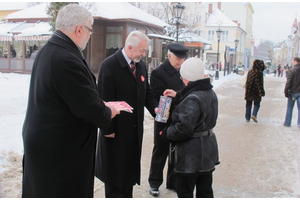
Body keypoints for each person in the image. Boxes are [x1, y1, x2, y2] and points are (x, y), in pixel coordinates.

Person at [21, 4, 120, 198]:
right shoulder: (66, 58)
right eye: (90, 30)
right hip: (60, 152)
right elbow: (88, 107)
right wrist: (108, 111)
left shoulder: (49, 50)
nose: (90, 35)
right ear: (79, 29)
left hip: (47, 145)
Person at [95, 30, 158, 198]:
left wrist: (156, 109)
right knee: (115, 179)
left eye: (145, 51)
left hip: (133, 132)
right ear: (129, 47)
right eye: (141, 51)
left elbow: (148, 93)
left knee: (128, 177)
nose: (144, 55)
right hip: (115, 134)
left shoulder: (141, 66)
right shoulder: (109, 66)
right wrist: (108, 130)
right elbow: (103, 100)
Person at [160, 57, 220, 198]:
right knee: (205, 190)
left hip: (190, 155)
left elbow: (183, 129)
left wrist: (166, 132)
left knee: (185, 192)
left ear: (187, 78)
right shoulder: (211, 93)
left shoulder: (192, 99)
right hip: (207, 150)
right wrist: (178, 95)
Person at [148, 43, 189, 196]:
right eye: (178, 59)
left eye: (183, 59)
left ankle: (173, 182)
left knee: (176, 152)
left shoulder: (184, 72)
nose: (180, 62)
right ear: (170, 55)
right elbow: (156, 95)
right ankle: (154, 182)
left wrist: (178, 95)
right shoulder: (158, 73)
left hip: (180, 118)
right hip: (164, 118)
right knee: (160, 150)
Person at [283, 57, 300, 128]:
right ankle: (299, 123)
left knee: (290, 107)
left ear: (295, 61)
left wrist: (286, 90)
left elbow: (289, 81)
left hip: (292, 92)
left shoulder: (292, 70)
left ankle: (287, 122)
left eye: (293, 61)